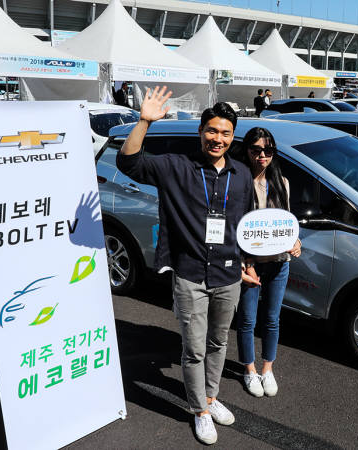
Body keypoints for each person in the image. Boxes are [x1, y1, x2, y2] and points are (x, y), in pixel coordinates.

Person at [116, 87, 254, 445]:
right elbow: (129, 162)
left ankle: (210, 396)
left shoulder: (240, 174)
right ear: (200, 132)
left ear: (232, 136)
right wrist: (144, 121)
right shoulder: (177, 167)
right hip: (190, 274)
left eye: (225, 132)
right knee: (193, 349)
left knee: (219, 343)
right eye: (211, 131)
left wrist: (247, 263)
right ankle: (200, 411)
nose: (217, 138)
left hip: (227, 275)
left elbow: (246, 222)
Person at [235, 127, 302, 398]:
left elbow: (287, 224)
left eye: (268, 150)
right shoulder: (238, 182)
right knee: (247, 320)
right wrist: (243, 262)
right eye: (256, 150)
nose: (262, 155)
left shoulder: (282, 182)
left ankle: (267, 369)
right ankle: (249, 370)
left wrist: (296, 242)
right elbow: (233, 228)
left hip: (279, 262)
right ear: (247, 151)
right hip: (249, 264)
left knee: (272, 319)